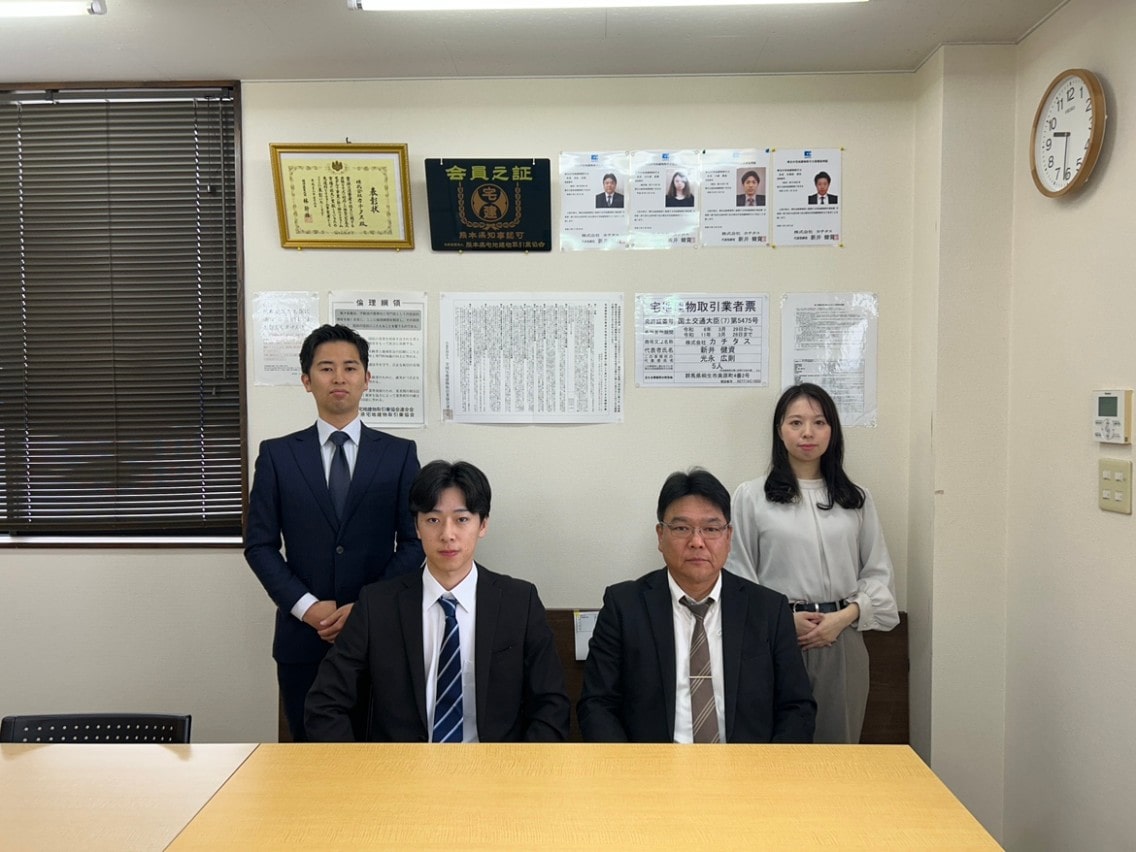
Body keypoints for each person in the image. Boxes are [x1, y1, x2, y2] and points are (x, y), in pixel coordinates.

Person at [245, 323, 424, 742]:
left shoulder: (399, 455)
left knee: (383, 759)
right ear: (307, 380)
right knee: (311, 761)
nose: (339, 377)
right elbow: (259, 545)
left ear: (367, 378)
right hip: (304, 638)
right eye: (326, 368)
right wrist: (306, 607)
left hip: (379, 637)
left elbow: (414, 542)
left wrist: (366, 607)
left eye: (350, 367)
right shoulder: (277, 455)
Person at [305, 460, 570, 742]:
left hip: (494, 764)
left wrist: (518, 768)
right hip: (400, 765)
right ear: (417, 527)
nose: (447, 534)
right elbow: (325, 703)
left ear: (483, 525)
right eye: (433, 520)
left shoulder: (519, 603)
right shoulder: (377, 605)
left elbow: (551, 705)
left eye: (462, 519)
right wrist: (363, 768)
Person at [577, 468, 816, 744]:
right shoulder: (624, 607)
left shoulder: (769, 610)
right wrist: (631, 767)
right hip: (652, 765)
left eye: (711, 529)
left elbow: (797, 707)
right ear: (660, 535)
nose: (697, 542)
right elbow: (597, 705)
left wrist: (767, 767)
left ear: (728, 537)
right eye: (682, 528)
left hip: (747, 766)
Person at [726, 383, 898, 743]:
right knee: (775, 753)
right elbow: (739, 576)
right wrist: (781, 622)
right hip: (776, 640)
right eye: (796, 422)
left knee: (838, 752)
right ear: (779, 430)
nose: (808, 432)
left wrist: (844, 617)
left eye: (819, 422)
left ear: (832, 431)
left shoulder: (856, 499)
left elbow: (878, 574)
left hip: (841, 638)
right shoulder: (751, 497)